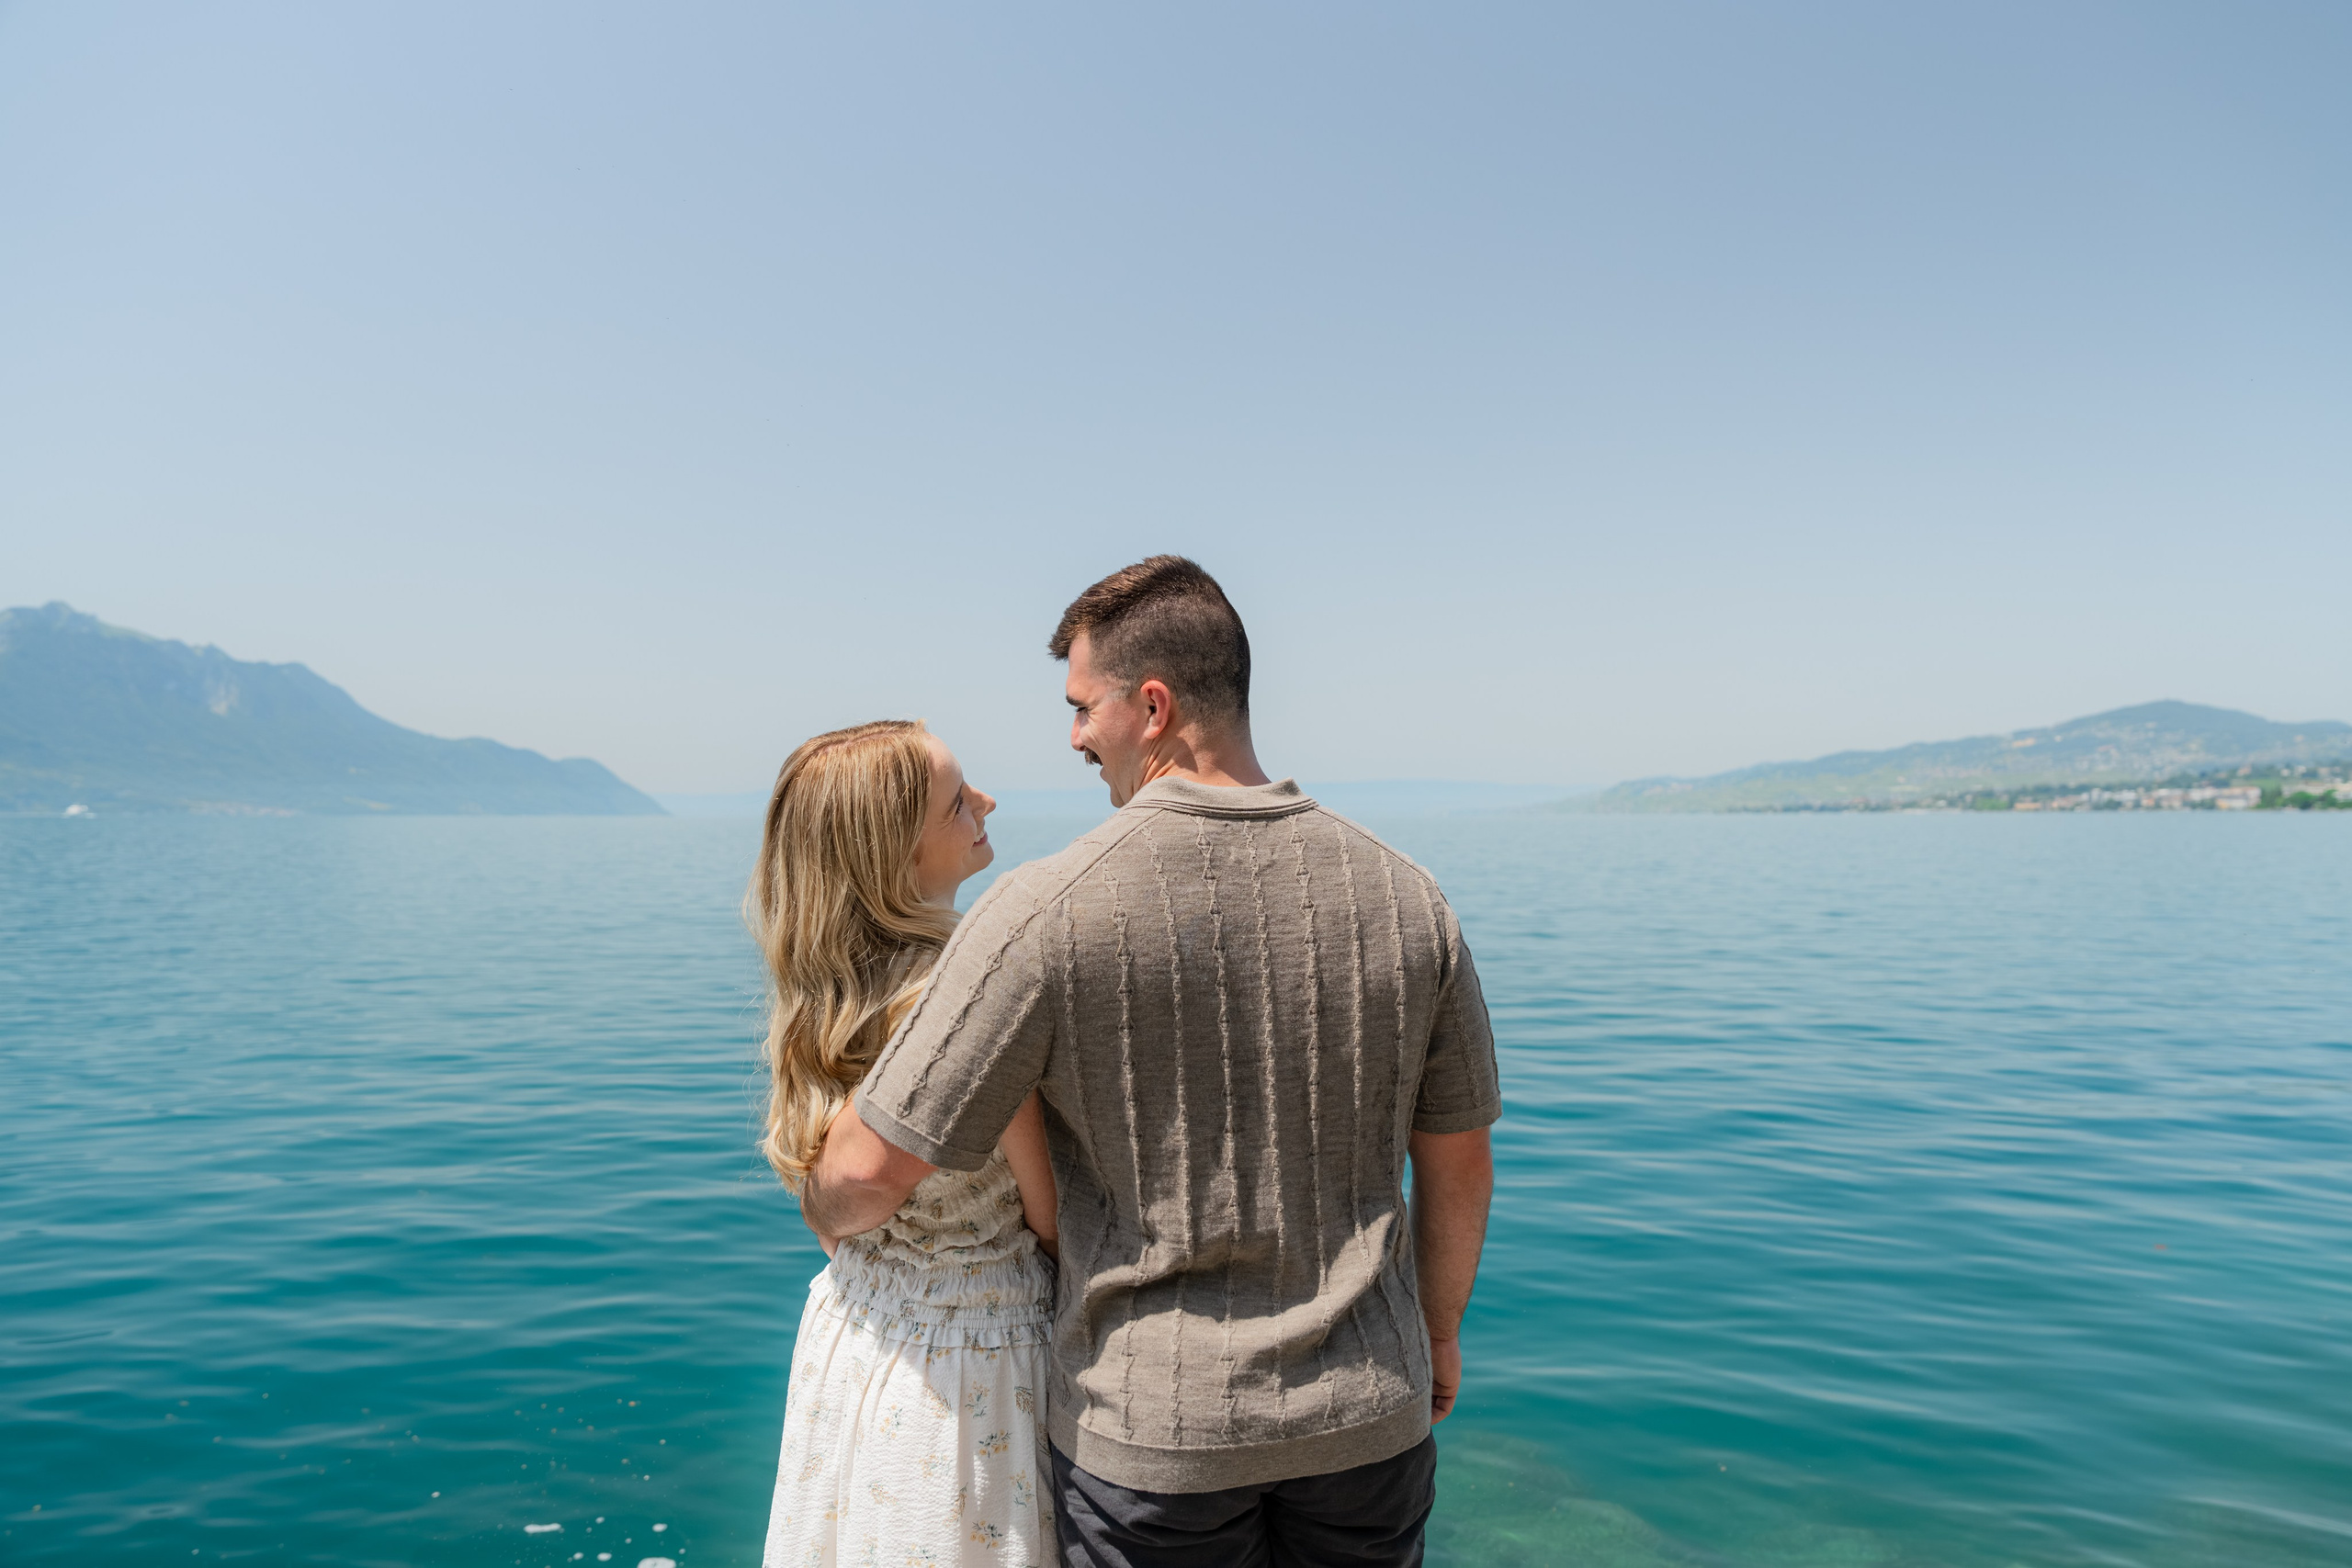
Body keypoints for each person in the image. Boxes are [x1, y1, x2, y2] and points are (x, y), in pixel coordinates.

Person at [801, 558, 1500, 1567]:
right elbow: (1458, 1163)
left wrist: (819, 1209)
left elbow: (869, 1170)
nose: (1075, 734)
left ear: (1155, 706)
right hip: (1368, 1419)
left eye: (1084, 706)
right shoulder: (1409, 899)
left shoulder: (1043, 907)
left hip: (1151, 1446)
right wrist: (1435, 1333)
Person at [751, 719, 1065, 1568]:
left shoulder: (834, 993)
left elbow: (836, 1197)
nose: (987, 803)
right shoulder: (965, 996)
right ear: (895, 853)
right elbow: (1052, 1213)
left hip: (857, 1333)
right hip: (972, 1363)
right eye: (958, 801)